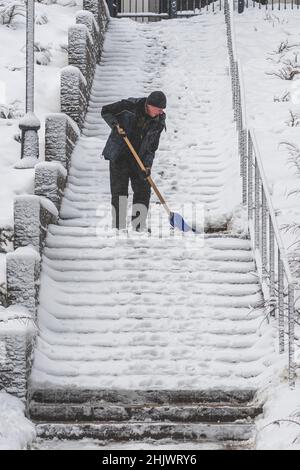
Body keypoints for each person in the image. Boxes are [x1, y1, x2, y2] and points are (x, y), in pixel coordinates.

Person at [101, 91, 167, 231]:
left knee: (143, 190)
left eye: (162, 110)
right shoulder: (130, 106)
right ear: (149, 105)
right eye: (159, 109)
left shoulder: (159, 122)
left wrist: (147, 166)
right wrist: (115, 125)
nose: (161, 112)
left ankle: (138, 226)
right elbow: (106, 110)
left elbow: (152, 147)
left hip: (140, 159)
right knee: (120, 192)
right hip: (120, 155)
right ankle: (118, 227)